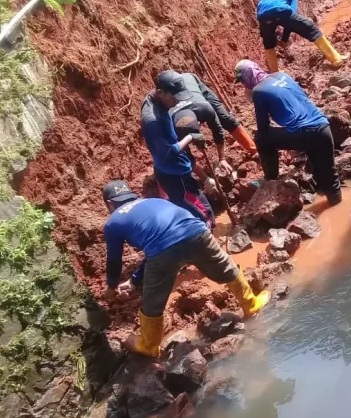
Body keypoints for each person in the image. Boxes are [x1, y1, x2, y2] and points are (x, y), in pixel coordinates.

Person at [102, 181, 271, 357]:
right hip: (197, 232)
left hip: (162, 250)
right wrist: (133, 281)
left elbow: (115, 260)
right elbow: (165, 238)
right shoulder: (152, 201)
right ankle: (251, 304)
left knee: (152, 300)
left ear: (109, 204)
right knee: (225, 266)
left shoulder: (113, 222)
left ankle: (149, 345)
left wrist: (111, 287)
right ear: (131, 195)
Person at [235, 59, 342, 206]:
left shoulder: (258, 91)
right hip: (323, 127)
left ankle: (270, 180)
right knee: (330, 180)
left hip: (306, 134)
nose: (243, 85)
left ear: (247, 77)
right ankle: (337, 203)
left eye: (242, 81)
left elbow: (263, 128)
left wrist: (254, 99)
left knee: (260, 138)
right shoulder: (281, 75)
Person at [141, 79, 215, 226]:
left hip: (174, 170)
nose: (176, 103)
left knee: (195, 211)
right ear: (161, 93)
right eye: (173, 98)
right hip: (174, 176)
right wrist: (190, 137)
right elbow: (169, 152)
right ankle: (208, 244)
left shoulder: (154, 100)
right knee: (204, 216)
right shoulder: (153, 121)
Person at [156, 69, 257, 158]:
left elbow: (217, 129)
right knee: (180, 147)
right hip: (179, 98)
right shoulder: (170, 120)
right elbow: (178, 150)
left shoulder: (204, 108)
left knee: (225, 118)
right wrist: (204, 178)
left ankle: (253, 149)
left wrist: (222, 159)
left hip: (194, 86)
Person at [256, 0, 347, 73]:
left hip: (262, 16)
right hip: (281, 10)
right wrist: (285, 38)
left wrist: (265, 33)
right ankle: (336, 59)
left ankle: (274, 72)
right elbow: (292, 15)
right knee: (311, 29)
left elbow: (262, 8)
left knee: (268, 44)